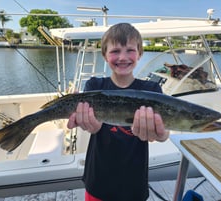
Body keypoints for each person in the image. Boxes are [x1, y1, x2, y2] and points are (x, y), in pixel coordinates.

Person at [67, 23, 169, 201]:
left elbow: (164, 133)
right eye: (115, 51)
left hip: (134, 184)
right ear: (105, 55)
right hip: (98, 179)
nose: (123, 57)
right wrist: (92, 125)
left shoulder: (152, 90)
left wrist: (160, 134)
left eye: (130, 50)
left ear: (140, 53)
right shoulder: (94, 86)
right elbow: (94, 128)